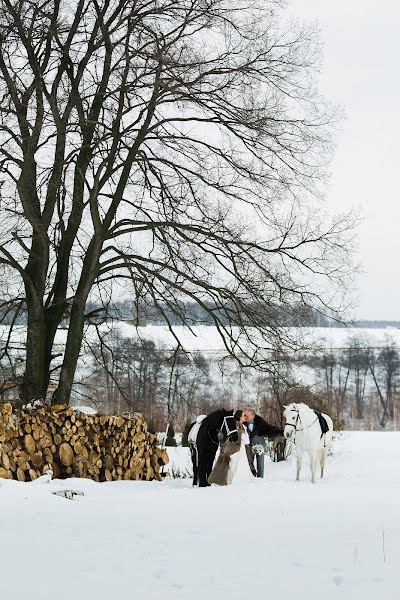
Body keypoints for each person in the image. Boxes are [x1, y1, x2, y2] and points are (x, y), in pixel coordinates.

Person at [189, 408, 240, 487]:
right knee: (200, 459)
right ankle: (198, 479)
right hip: (200, 444)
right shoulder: (203, 432)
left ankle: (209, 478)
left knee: (211, 459)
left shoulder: (215, 434)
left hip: (214, 439)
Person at [208, 411, 256, 486]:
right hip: (235, 448)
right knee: (234, 464)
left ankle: (242, 478)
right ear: (240, 417)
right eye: (244, 415)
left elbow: (247, 440)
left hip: (241, 448)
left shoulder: (243, 426)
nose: (245, 417)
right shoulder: (235, 425)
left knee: (241, 464)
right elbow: (237, 437)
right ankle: (229, 479)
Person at [243, 408, 284, 478]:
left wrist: (280, 431)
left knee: (260, 463)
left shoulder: (260, 422)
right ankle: (251, 477)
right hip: (248, 446)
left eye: (247, 416)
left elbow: (269, 428)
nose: (245, 417)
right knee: (249, 462)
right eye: (245, 415)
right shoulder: (243, 422)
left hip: (260, 445)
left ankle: (260, 477)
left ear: (253, 416)